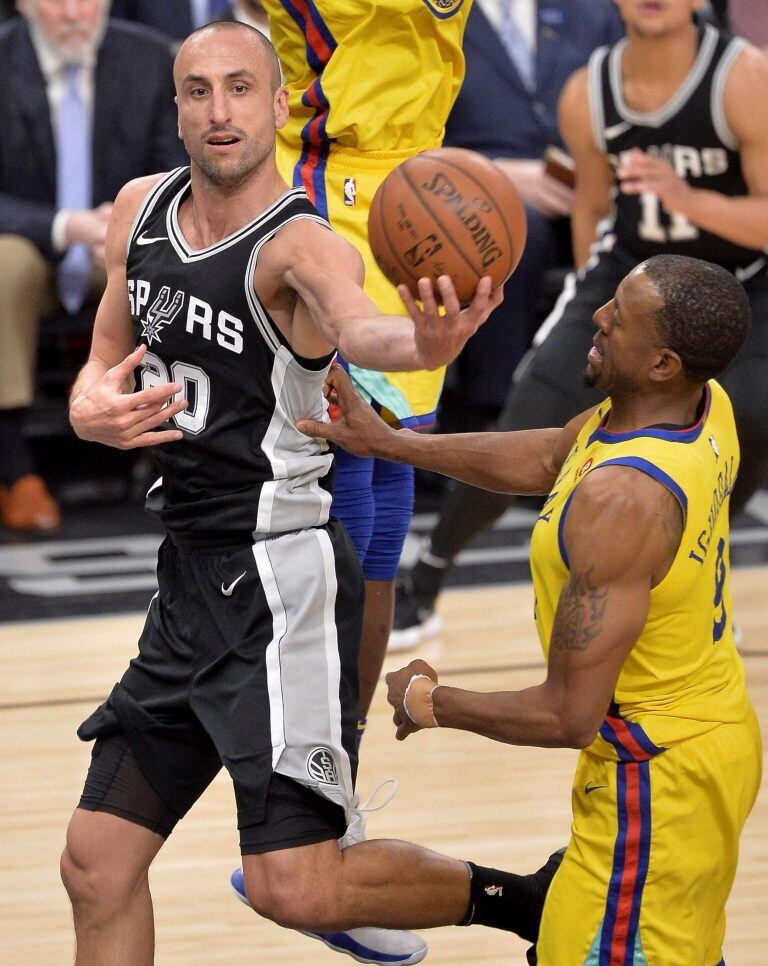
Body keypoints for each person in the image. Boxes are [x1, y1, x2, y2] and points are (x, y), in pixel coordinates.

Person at [59, 22, 511, 966]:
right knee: (96, 863)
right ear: (175, 106)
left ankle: (535, 903)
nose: (218, 111)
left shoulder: (302, 246)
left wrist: (427, 345)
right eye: (197, 92)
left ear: (279, 105)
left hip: (280, 588)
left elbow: (367, 331)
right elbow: (102, 361)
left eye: (238, 89)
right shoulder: (139, 210)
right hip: (185, 581)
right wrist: (90, 409)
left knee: (293, 886)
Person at [299, 254, 762, 965]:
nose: (599, 317)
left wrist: (429, 701)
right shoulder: (696, 406)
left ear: (664, 363)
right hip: (698, 737)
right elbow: (553, 456)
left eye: (621, 318)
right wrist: (394, 444)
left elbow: (567, 715)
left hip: (657, 775)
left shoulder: (622, 502)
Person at [393, 0, 768, 646]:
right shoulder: (586, 91)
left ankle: (691, 584)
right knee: (531, 419)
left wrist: (686, 199)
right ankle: (426, 576)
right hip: (630, 274)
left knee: (754, 420)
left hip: (743, 283)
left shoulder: (743, 79)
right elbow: (592, 214)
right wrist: (610, 315)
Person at [253, 0, 473, 738]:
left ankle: (339, 763)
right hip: (326, 180)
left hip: (419, 184)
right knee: (344, 464)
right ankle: (313, 769)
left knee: (388, 468)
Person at [0, 0, 184, 532]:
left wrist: (127, 217)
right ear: (25, 5)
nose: (73, 12)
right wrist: (66, 224)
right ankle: (15, 471)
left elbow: (174, 170)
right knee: (4, 267)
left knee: (169, 262)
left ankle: (173, 449)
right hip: (30, 243)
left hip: (121, 242)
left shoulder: (148, 58)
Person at [435, 0, 622, 435]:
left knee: (633, 233)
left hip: (591, 185)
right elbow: (400, 130)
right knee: (517, 230)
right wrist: (492, 172)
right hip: (466, 195)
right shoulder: (427, 13)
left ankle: (610, 409)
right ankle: (498, 416)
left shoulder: (593, 12)